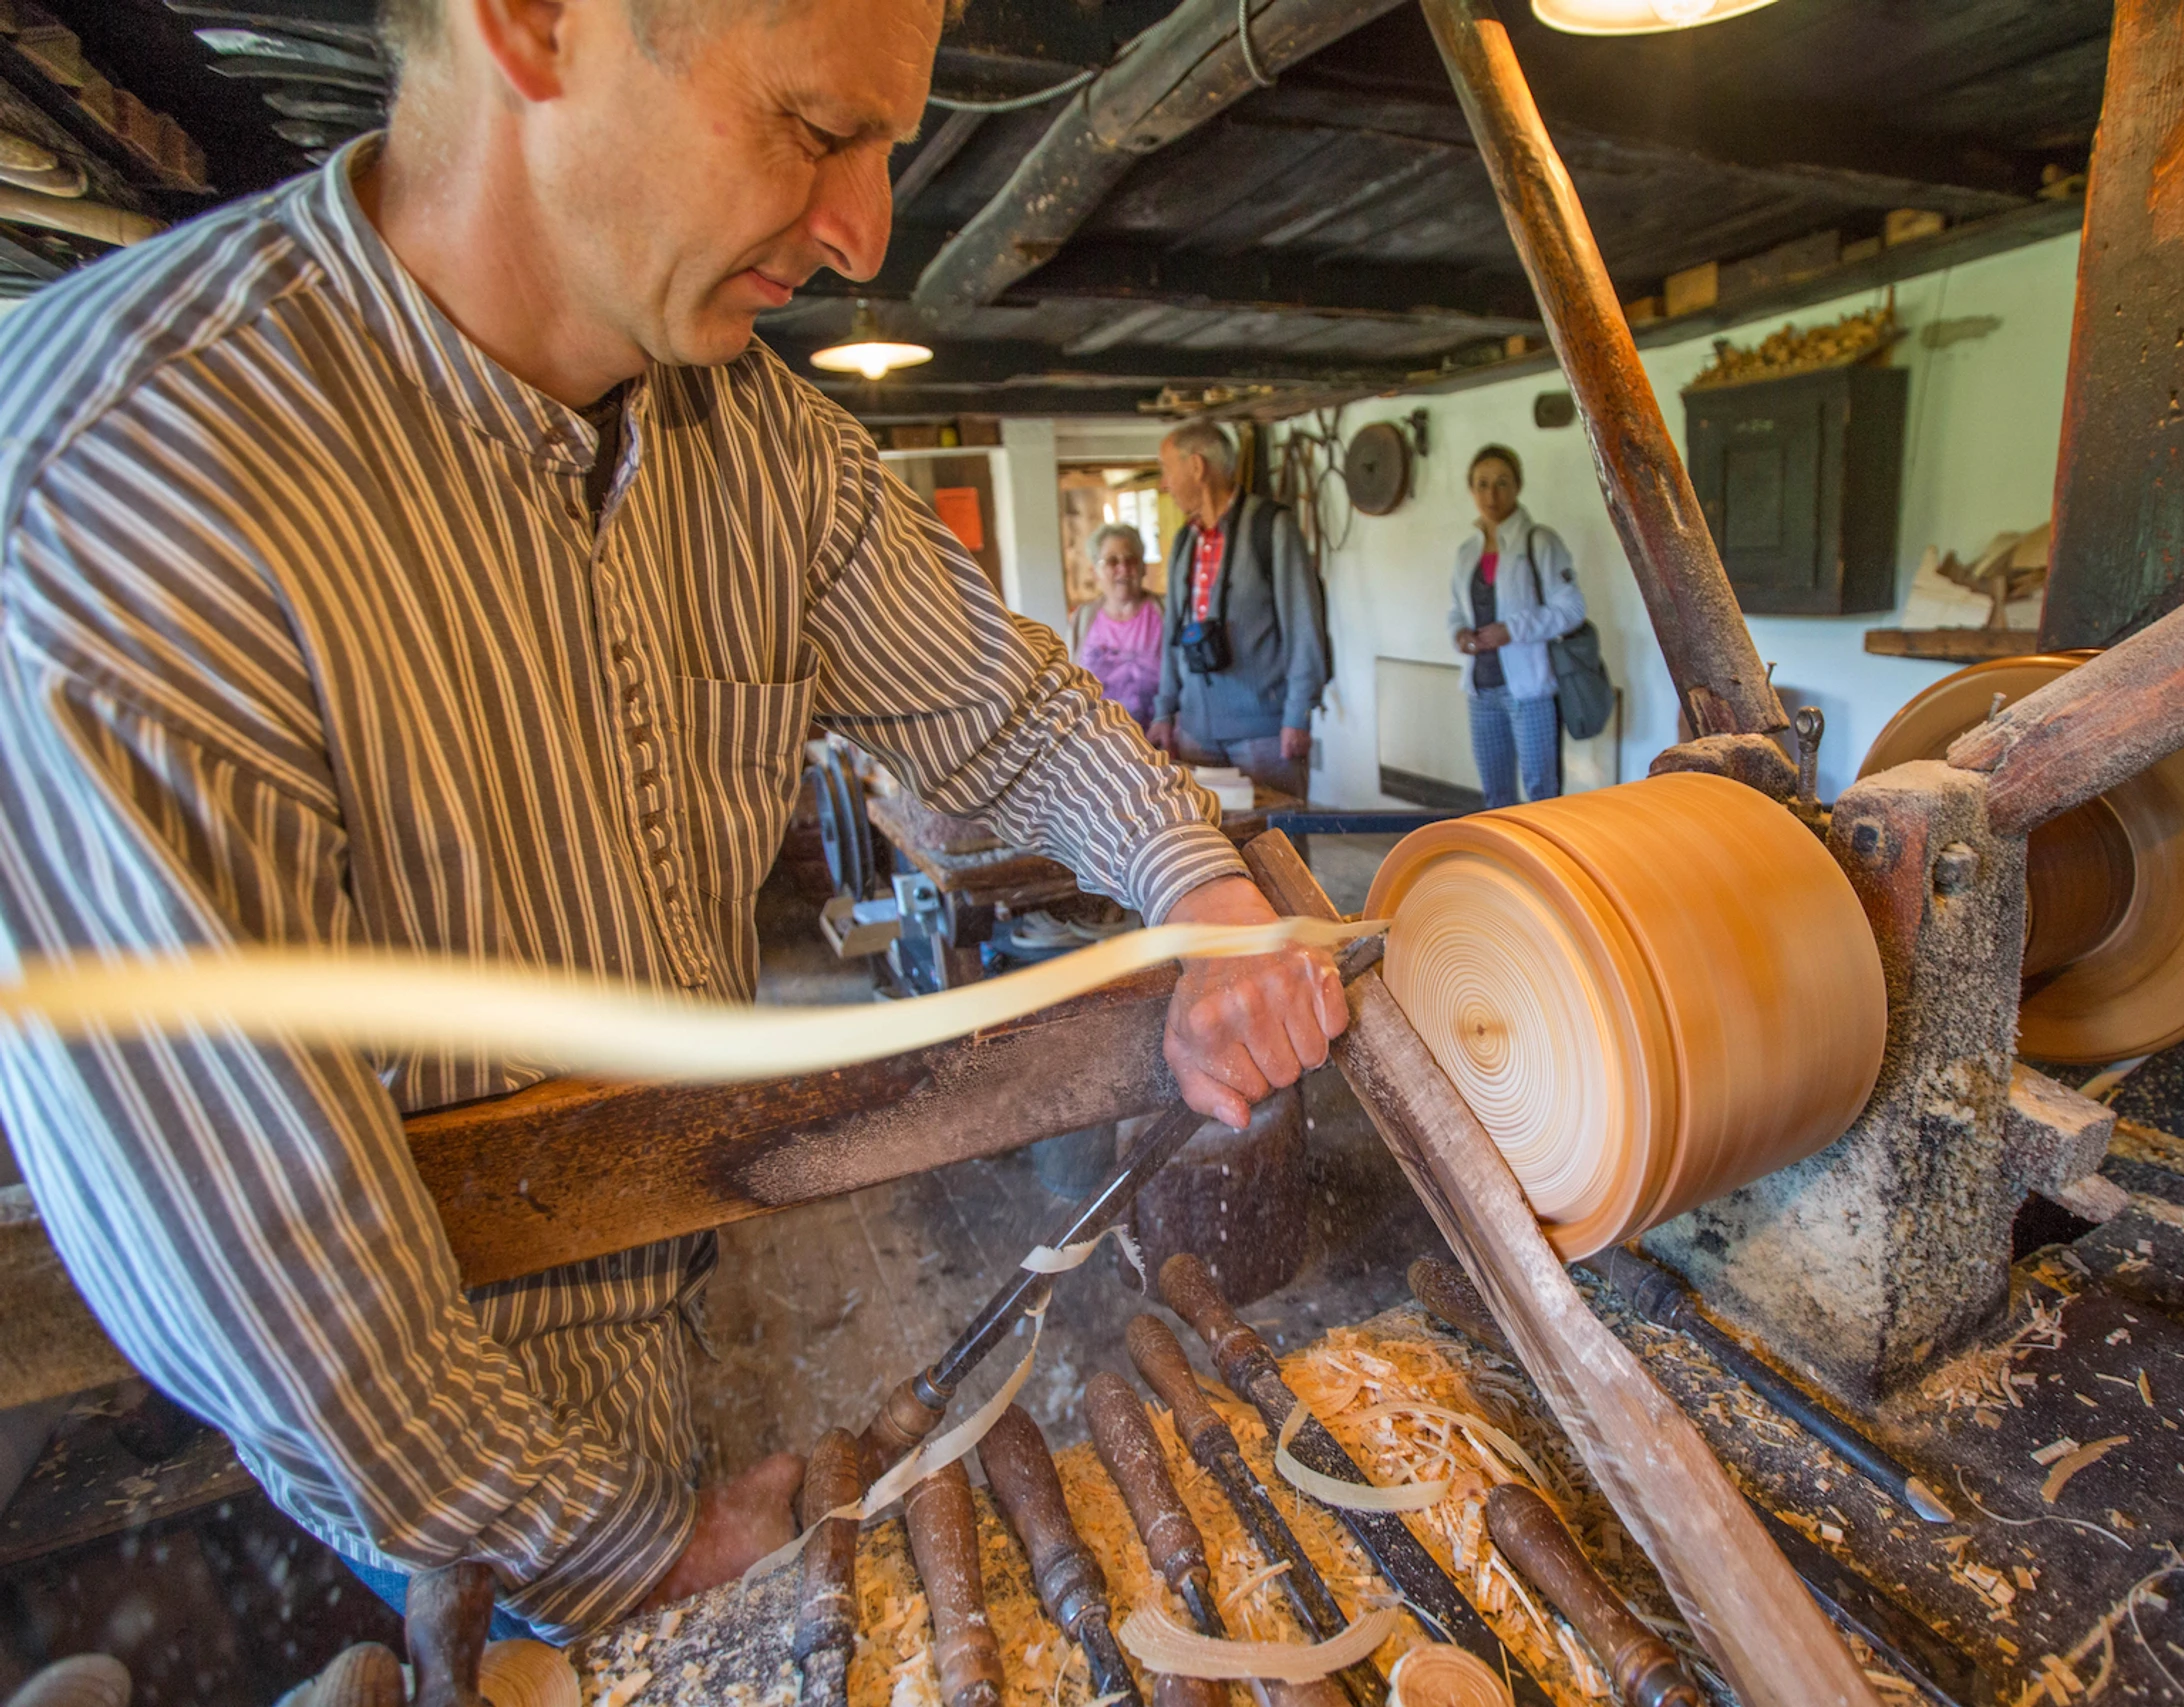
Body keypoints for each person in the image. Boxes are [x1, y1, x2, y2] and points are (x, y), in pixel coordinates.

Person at [0, 0, 1346, 1645]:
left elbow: (998, 709)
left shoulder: (754, 436)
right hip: (453, 1509)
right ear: (537, 26)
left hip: (671, 1347)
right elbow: (241, 1225)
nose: (864, 234)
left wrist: (1198, 890)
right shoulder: (128, 476)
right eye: (811, 126)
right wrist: (607, 1544)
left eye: (890, 149)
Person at [1146, 422, 1325, 800]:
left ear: (1196, 466)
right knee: (1211, 850)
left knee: (1277, 846)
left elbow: (1304, 629)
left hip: (1265, 734)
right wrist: (1164, 711)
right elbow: (1172, 639)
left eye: (1167, 468)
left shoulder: (1272, 527)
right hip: (1195, 732)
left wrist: (1297, 717)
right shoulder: (1184, 541)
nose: (1165, 483)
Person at [1449, 444, 1584, 807]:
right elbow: (1455, 610)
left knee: (1543, 795)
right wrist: (1459, 633)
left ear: (1518, 486)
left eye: (1502, 483)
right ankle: (1503, 865)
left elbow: (1572, 609)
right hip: (1481, 689)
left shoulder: (1539, 541)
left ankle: (1545, 865)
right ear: (1471, 489)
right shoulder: (1467, 552)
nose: (1491, 495)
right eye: (1482, 484)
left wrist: (1514, 629)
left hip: (1529, 690)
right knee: (1496, 796)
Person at [1069, 521, 1163, 724]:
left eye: (1131, 560)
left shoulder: (1165, 612)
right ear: (1095, 572)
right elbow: (1072, 684)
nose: (1123, 569)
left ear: (1143, 567)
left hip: (1159, 741)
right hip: (1099, 742)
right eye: (1112, 561)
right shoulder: (1083, 619)